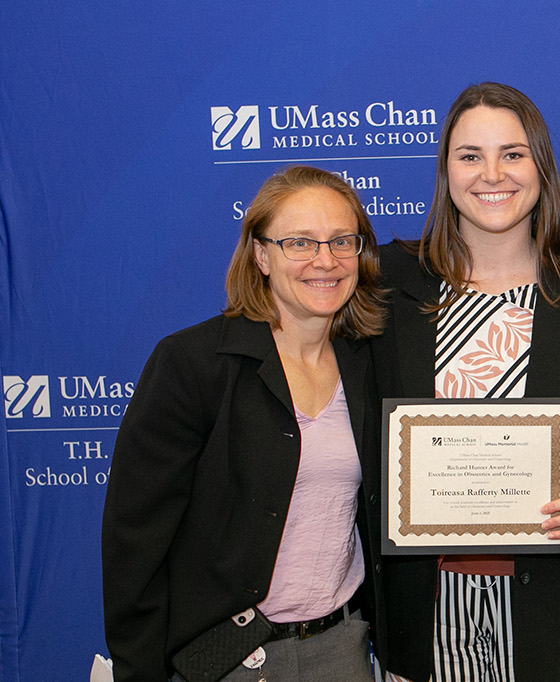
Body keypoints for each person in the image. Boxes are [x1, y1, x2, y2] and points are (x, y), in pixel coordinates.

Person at [373, 82, 560, 682]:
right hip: (425, 614)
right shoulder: (388, 282)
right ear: (445, 171)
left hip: (557, 617)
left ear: (541, 168)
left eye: (512, 154)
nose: (492, 173)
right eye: (470, 155)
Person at [102, 165, 388, 682]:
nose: (325, 261)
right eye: (299, 242)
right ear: (261, 255)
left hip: (344, 649)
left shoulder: (371, 364)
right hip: (227, 658)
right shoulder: (193, 364)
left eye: (342, 241)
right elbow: (135, 541)